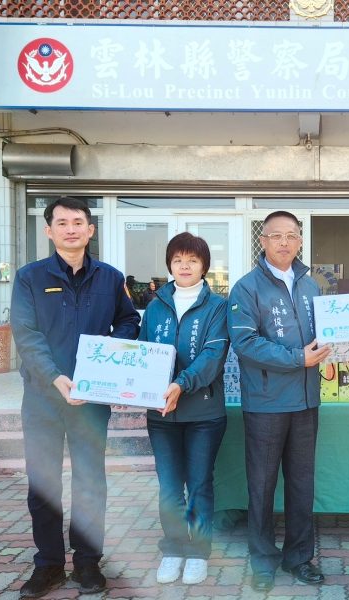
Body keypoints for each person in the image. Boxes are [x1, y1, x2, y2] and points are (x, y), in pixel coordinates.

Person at [11, 197, 140, 598]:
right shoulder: (30, 278)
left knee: (90, 480)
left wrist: (104, 362)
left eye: (78, 222)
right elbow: (26, 334)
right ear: (49, 230)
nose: (71, 229)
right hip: (43, 397)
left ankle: (87, 562)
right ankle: (48, 565)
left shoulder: (110, 277)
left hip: (91, 400)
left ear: (90, 229)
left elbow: (129, 321)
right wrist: (55, 377)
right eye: (62, 222)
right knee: (43, 483)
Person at [227, 210, 331, 592]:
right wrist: (297, 358)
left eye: (291, 235)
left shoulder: (311, 285)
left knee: (302, 484)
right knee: (262, 485)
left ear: (300, 241)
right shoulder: (246, 287)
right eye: (276, 235)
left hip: (305, 401)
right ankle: (263, 560)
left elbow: (324, 334)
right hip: (266, 402)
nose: (284, 242)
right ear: (263, 240)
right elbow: (245, 342)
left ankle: (299, 557)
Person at [138, 232, 229, 586]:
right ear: (169, 265)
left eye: (192, 260)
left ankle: (199, 552)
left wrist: (181, 384)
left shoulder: (217, 306)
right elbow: (143, 352)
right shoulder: (156, 305)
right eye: (178, 260)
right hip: (161, 415)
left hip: (203, 414)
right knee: (170, 487)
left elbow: (213, 356)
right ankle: (174, 548)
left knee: (200, 484)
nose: (185, 266)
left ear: (204, 265)